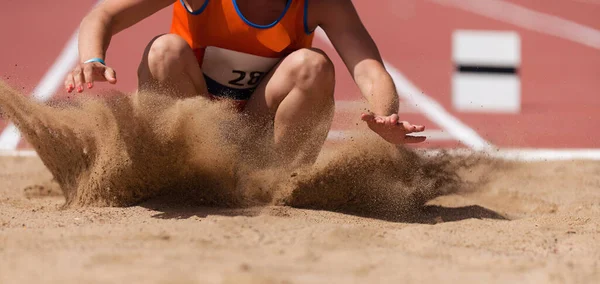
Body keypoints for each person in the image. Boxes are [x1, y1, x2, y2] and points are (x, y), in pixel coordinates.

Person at [64, 0, 426, 167]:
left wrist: (386, 116)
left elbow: (369, 69)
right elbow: (105, 13)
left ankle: (279, 183)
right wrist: (92, 59)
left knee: (314, 66)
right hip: (193, 124)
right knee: (164, 51)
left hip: (256, 132)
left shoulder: (321, 4)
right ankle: (172, 170)